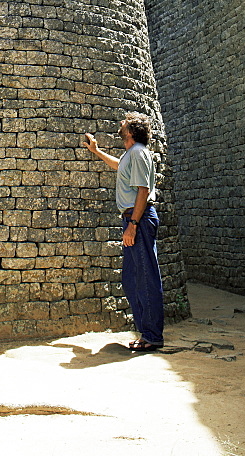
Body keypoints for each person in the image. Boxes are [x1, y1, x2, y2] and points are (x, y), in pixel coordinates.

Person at [83, 111, 164, 351]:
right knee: (131, 279)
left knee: (144, 277)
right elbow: (120, 167)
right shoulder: (131, 154)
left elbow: (142, 190)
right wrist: (96, 152)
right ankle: (146, 333)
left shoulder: (138, 152)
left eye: (125, 122)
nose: (121, 123)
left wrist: (133, 224)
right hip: (132, 218)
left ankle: (152, 336)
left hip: (138, 218)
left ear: (131, 131)